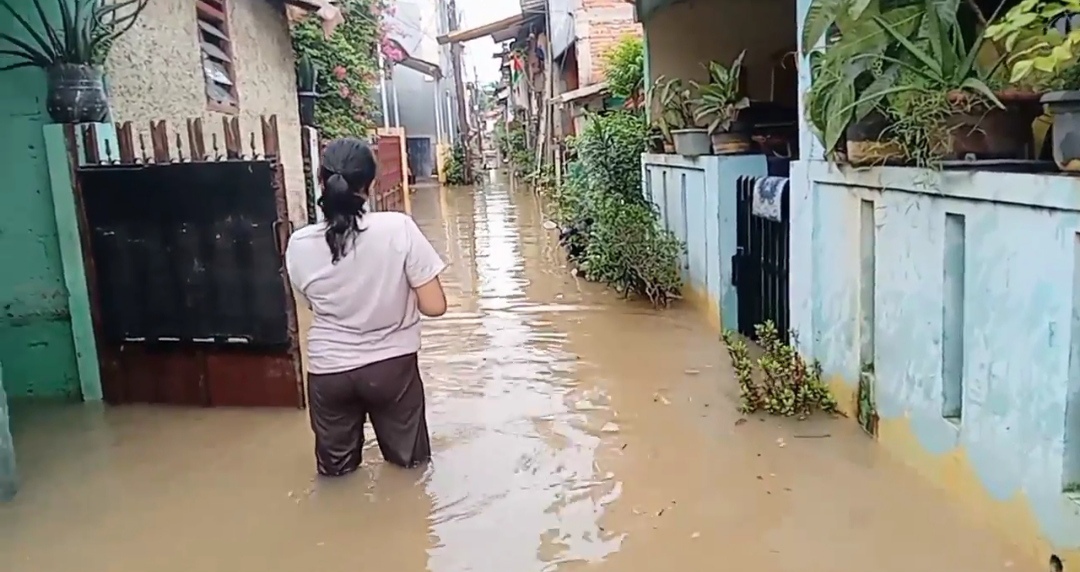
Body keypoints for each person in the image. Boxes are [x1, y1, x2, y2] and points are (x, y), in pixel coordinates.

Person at [285, 137, 447, 477]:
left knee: (336, 477)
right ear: (370, 184)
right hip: (393, 369)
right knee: (411, 471)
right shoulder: (398, 228)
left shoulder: (298, 244)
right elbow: (434, 306)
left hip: (329, 373)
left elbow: (311, 304)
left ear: (321, 181)